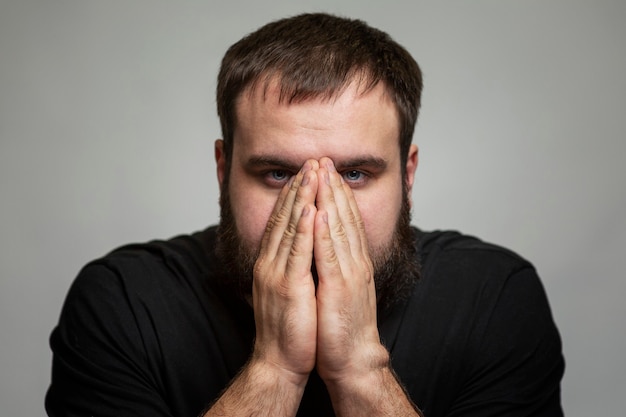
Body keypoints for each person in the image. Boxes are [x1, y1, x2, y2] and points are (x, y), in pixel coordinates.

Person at [46, 13, 565, 417]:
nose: (315, 209)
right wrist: (274, 372)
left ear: (407, 175)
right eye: (276, 174)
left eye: (356, 174)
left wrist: (362, 372)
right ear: (223, 169)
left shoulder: (494, 296)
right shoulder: (122, 301)